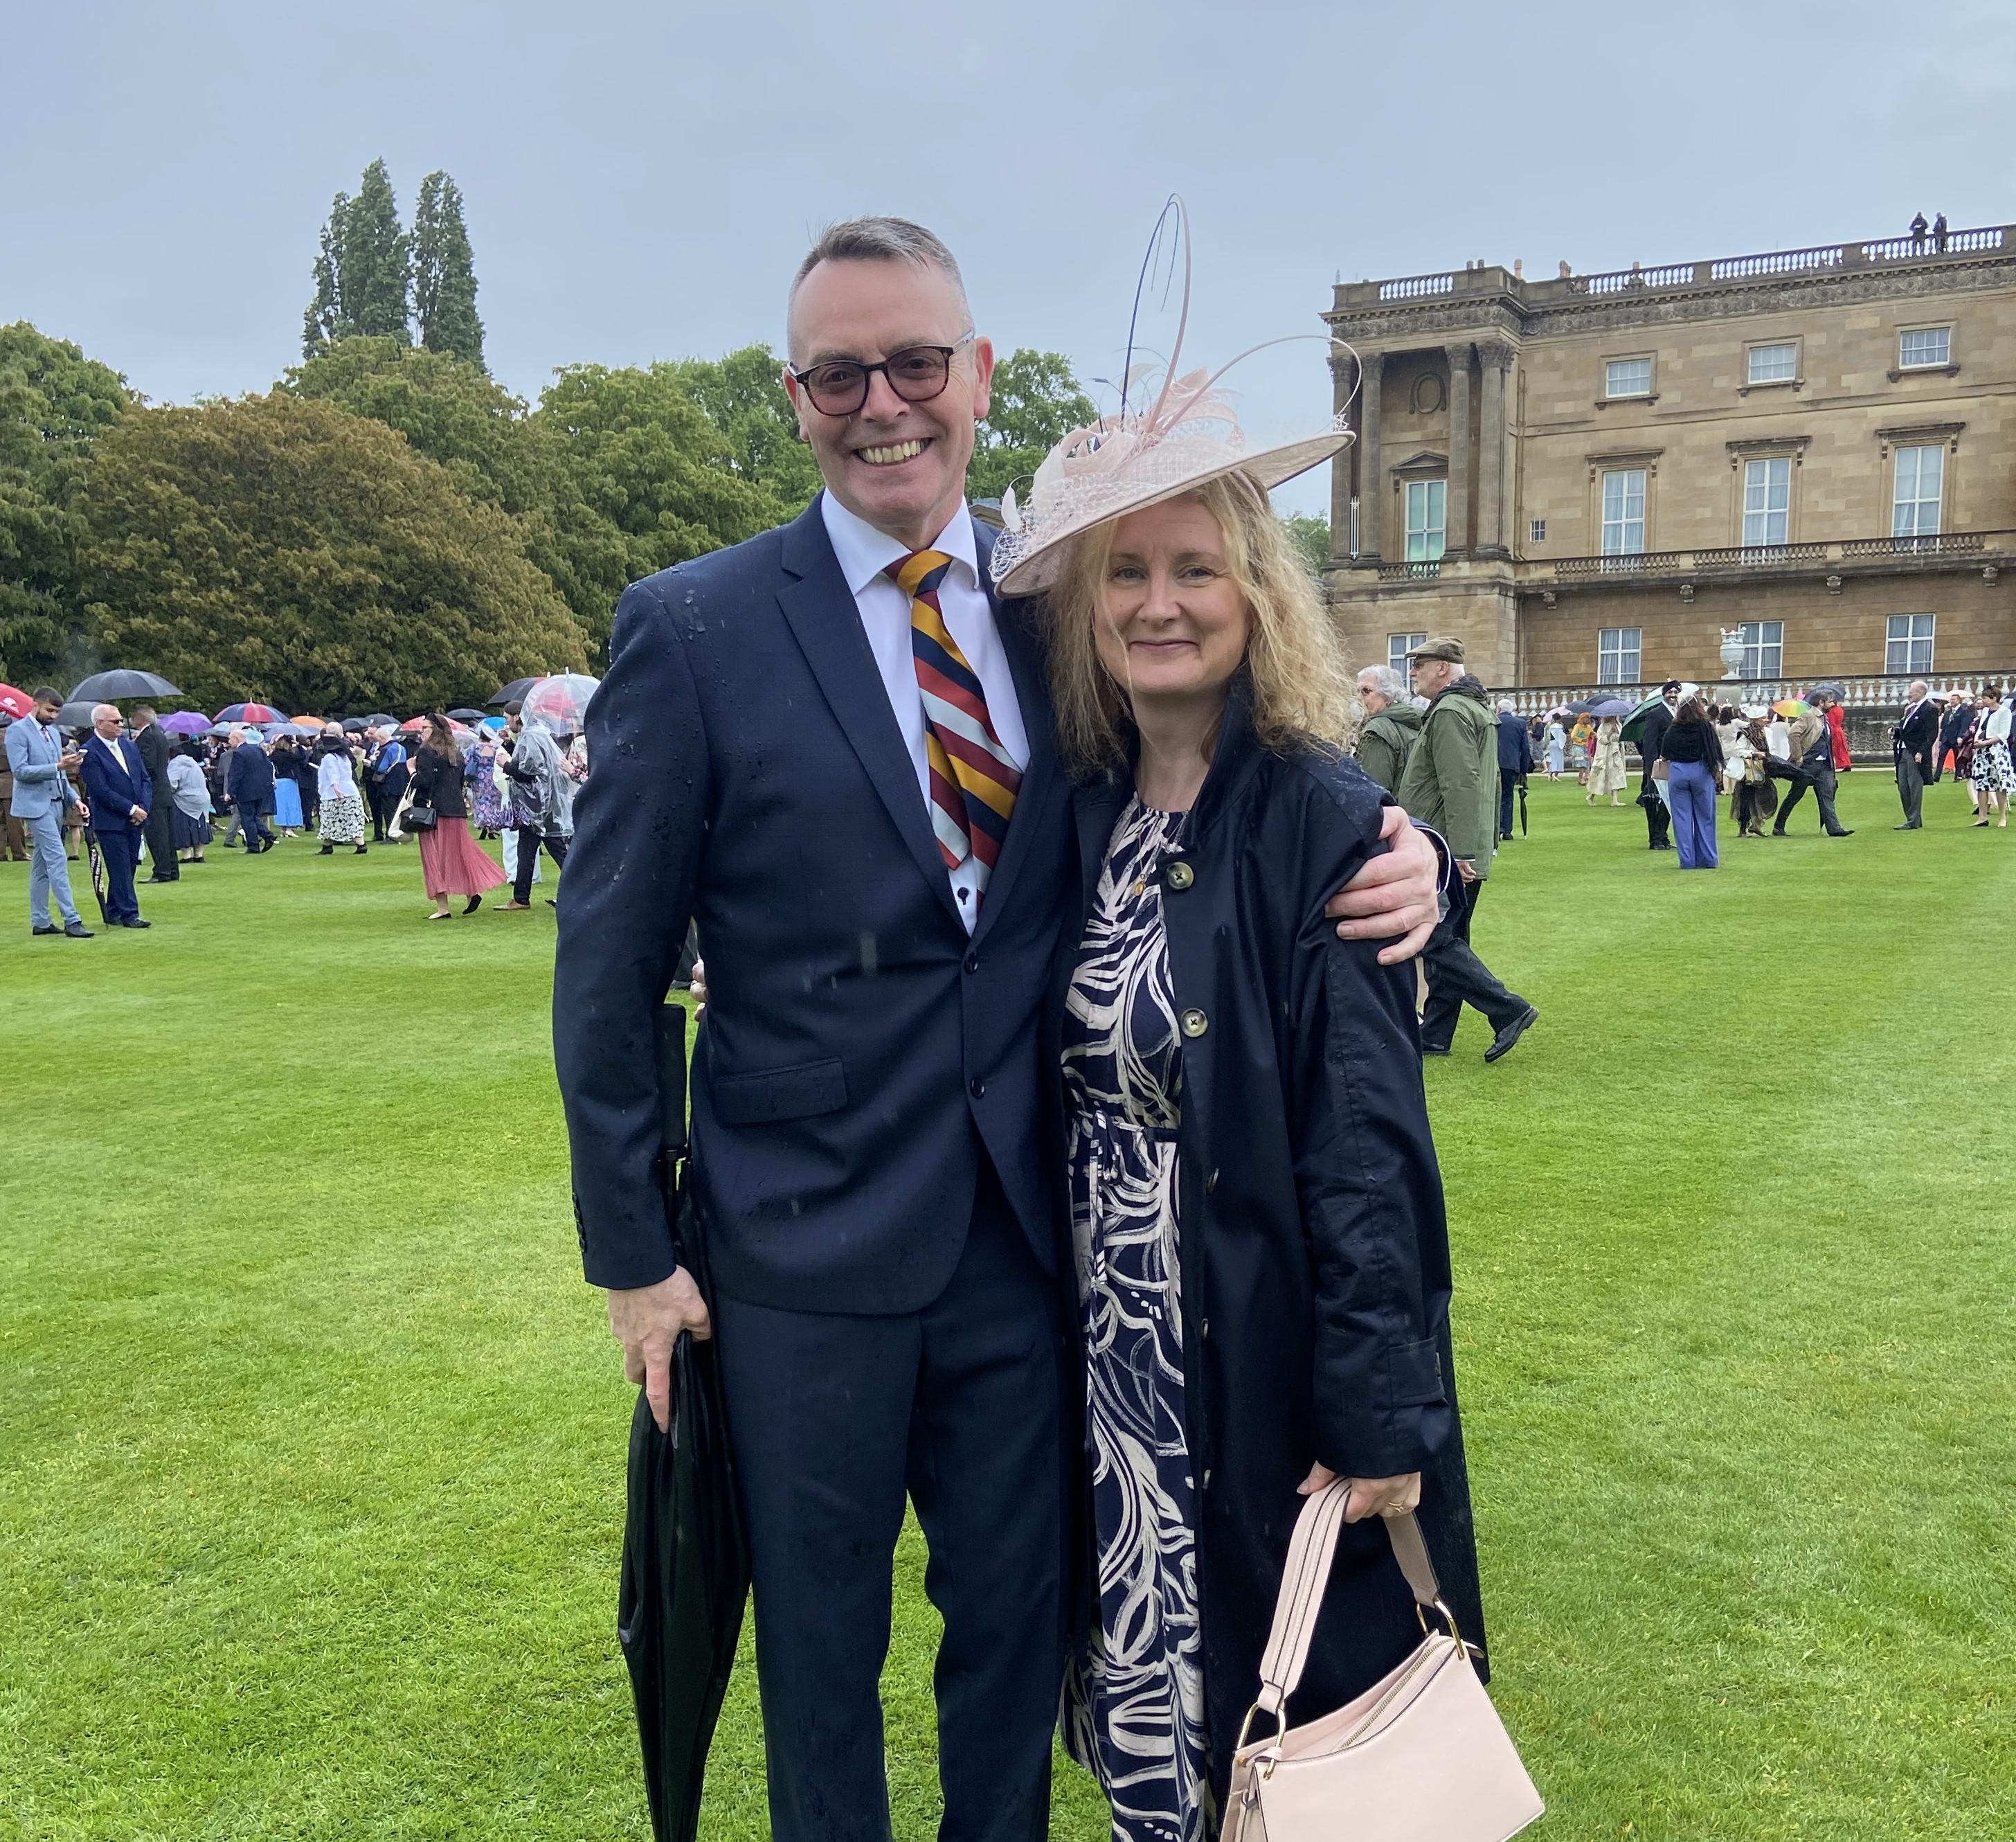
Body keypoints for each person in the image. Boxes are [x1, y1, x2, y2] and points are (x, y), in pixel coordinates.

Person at [550, 216, 1443, 1842]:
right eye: (841, 374)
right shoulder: (693, 629)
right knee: (821, 1658)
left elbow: (1234, 773)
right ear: (795, 393)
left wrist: (1411, 853)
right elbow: (605, 968)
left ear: (973, 376)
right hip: (795, 1258)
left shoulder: (1058, 609)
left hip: (1035, 1255)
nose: (883, 404)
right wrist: (632, 1255)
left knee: (1018, 1646)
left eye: (914, 365)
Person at [992, 403, 1482, 1831]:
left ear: (1257, 593)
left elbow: (1368, 1151)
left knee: (1289, 1729)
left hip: (1252, 1351)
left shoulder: (1323, 821)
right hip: (1108, 1363)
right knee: (1154, 1730)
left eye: (1196, 568)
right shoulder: (1072, 813)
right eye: (1125, 574)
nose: (1160, 604)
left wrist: (1383, 1413)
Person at [1398, 636, 1538, 1062]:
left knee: (1435, 937)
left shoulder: (1451, 711)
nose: (1413, 672)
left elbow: (1460, 784)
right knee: (1450, 936)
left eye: (1420, 664)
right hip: (1456, 843)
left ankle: (1508, 1009)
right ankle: (1437, 1033)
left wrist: (1456, 853)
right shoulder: (1472, 707)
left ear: (1443, 668)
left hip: (1443, 848)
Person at [5, 686, 93, 936]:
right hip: (34, 805)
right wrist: (57, 765)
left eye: (57, 712)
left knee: (42, 866)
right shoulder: (17, 732)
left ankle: (41, 921)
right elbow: (20, 771)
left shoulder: (54, 735)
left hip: (57, 802)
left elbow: (61, 776)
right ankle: (72, 920)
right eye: (50, 710)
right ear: (35, 705)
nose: (53, 716)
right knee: (57, 859)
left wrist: (75, 799)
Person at [407, 715, 505, 918]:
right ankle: (471, 893)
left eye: (424, 727)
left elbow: (424, 782)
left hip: (433, 812)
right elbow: (460, 781)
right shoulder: (455, 753)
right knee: (458, 854)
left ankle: (443, 908)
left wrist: (411, 771)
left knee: (434, 859)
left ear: (433, 730)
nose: (421, 731)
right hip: (456, 810)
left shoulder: (426, 752)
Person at [80, 702, 153, 929]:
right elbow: (100, 790)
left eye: (121, 720)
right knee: (120, 867)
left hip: (135, 817)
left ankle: (113, 910)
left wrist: (142, 807)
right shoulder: (89, 752)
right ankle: (130, 914)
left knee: (129, 866)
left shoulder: (129, 746)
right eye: (116, 721)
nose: (121, 724)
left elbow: (144, 779)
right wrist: (130, 809)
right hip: (110, 821)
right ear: (99, 724)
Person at [498, 710, 577, 908]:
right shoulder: (537, 735)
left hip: (537, 806)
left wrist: (505, 765)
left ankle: (581, 888)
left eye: (508, 718)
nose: (507, 723)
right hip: (542, 805)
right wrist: (509, 744)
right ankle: (521, 897)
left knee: (551, 851)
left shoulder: (531, 736)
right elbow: (529, 762)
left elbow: (527, 772)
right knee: (531, 850)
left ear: (517, 716)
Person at [1771, 696, 1853, 837]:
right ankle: (1779, 827)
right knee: (1795, 795)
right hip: (1808, 764)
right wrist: (1798, 756)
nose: (1833, 704)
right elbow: (1793, 733)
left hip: (1825, 765)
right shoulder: (1808, 716)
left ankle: (1834, 829)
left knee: (1827, 796)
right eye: (1830, 701)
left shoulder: (1824, 719)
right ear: (1821, 703)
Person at [1659, 692, 1722, 869]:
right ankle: (1708, 859)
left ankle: (1687, 861)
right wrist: (1716, 770)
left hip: (1678, 772)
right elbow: (1715, 751)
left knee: (1681, 819)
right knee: (1705, 817)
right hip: (1700, 771)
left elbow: (1665, 754)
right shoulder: (1705, 726)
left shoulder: (1674, 728)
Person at [1351, 664, 1420, 796]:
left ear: (1388, 696)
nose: (1359, 698)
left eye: (1366, 691)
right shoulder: (1411, 721)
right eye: (1358, 691)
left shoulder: (1378, 729)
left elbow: (1372, 791)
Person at [129, 705, 178, 882]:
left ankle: (162, 872)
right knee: (167, 834)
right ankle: (171, 869)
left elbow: (148, 765)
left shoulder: (147, 737)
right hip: (163, 790)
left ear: (140, 719)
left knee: (157, 834)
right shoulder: (160, 734)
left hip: (154, 792)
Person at [1637, 681, 1679, 849]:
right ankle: (1655, 839)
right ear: (1664, 694)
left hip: (1675, 764)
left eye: (1676, 692)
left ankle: (1663, 837)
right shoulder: (1656, 714)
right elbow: (1649, 741)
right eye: (1670, 692)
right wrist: (1651, 765)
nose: (1673, 695)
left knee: (1669, 802)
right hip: (1659, 765)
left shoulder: (1678, 714)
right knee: (1655, 802)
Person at [1891, 680, 1940, 829]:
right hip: (1903, 751)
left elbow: (1931, 734)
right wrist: (1896, 731)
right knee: (1903, 786)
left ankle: (1913, 820)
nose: (1910, 694)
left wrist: (1921, 752)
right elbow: (1907, 731)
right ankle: (1912, 819)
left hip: (1915, 753)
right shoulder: (1910, 709)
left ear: (1920, 692)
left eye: (1912, 691)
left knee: (1914, 786)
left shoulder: (1929, 709)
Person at [222, 725, 277, 852]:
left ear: (236, 739)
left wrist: (229, 792)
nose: (229, 742)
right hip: (261, 790)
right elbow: (268, 768)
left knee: (247, 819)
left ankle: (253, 846)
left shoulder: (238, 753)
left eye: (230, 739)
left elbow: (236, 775)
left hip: (246, 791)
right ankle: (268, 836)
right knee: (254, 817)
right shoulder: (258, 750)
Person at [1967, 686, 2015, 828]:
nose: (1982, 701)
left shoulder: (2005, 712)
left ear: (1994, 698)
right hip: (1982, 752)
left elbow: (2003, 735)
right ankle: (1982, 817)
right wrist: (1977, 742)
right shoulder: (1986, 711)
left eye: (1985, 698)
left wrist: (1985, 743)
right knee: (1982, 784)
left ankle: (2002, 817)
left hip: (1997, 752)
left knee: (2000, 785)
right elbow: (1981, 728)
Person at [314, 724, 367, 854]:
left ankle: (327, 846)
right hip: (350, 791)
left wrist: (336, 788)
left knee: (329, 820)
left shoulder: (329, 758)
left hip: (333, 794)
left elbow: (333, 774)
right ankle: (361, 844)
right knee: (352, 819)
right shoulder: (345, 758)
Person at [165, 740, 214, 861]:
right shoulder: (192, 762)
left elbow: (172, 784)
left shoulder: (175, 764)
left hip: (185, 800)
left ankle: (187, 856)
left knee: (183, 826)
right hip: (203, 798)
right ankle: (199, 855)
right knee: (201, 825)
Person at [1729, 710, 1775, 837]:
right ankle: (1743, 828)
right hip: (1749, 771)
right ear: (1756, 720)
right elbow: (1737, 751)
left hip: (1763, 769)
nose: (1766, 720)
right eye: (1764, 718)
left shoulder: (1768, 732)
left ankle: (1757, 824)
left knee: (1765, 797)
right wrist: (1753, 754)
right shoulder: (1746, 734)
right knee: (1746, 799)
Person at [1495, 696, 1533, 839]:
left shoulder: (1494, 721)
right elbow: (1525, 749)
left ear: (1498, 709)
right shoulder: (1520, 724)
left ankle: (1496, 830)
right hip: (1511, 765)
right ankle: (1506, 830)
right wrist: (1523, 771)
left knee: (1494, 797)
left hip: (1494, 764)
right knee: (1508, 796)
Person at [0, 718, 28, 863]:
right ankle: (19, 853)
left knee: (1, 823)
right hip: (9, 782)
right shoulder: (9, 738)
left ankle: (1, 853)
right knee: (14, 821)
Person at [1586, 713, 1628, 805]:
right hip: (1606, 754)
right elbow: (1602, 740)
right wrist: (1610, 733)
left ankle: (1615, 800)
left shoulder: (1619, 725)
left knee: (1616, 775)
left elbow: (1620, 738)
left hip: (1616, 753)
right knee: (1602, 776)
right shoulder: (1603, 727)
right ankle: (1591, 796)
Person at [1936, 689, 1973, 781]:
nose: (1952, 701)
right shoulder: (1948, 713)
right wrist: (1941, 739)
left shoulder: (1963, 712)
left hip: (1956, 738)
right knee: (1941, 757)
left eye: (1954, 699)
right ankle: (1936, 776)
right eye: (1951, 700)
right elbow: (1944, 726)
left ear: (1959, 700)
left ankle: (1958, 776)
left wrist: (1961, 736)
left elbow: (1964, 725)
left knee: (1958, 758)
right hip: (1946, 739)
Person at [1826, 696, 1852, 772]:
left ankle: (1842, 764)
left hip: (1835, 730)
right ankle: (1846, 763)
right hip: (1839, 730)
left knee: (1837, 749)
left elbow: (1831, 723)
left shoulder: (1832, 711)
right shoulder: (1839, 709)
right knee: (1842, 748)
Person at [1568, 711, 1593, 783]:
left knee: (1587, 762)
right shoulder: (1578, 726)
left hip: (1586, 747)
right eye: (1586, 718)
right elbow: (1573, 736)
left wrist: (1594, 735)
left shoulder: (1588, 727)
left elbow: (1592, 733)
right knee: (1581, 762)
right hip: (1578, 746)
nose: (1587, 720)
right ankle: (1581, 777)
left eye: (1588, 719)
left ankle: (1587, 775)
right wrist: (1581, 739)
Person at [1543, 712, 1567, 779]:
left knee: (1553, 758)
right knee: (1558, 758)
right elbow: (1561, 736)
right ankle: (1555, 774)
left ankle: (1550, 774)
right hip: (1557, 743)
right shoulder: (1559, 726)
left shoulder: (1550, 726)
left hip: (1551, 743)